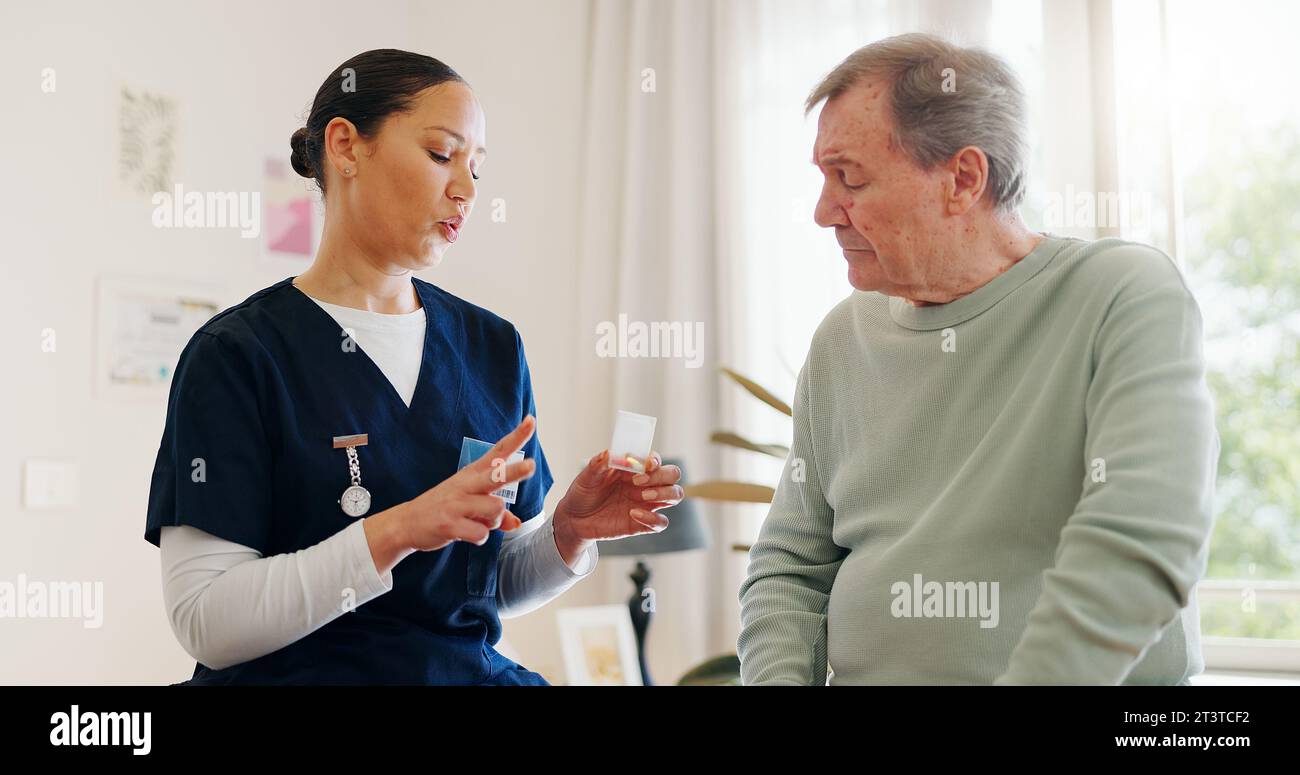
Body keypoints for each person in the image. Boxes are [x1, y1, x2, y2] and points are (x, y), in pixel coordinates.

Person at [144, 49, 683, 685]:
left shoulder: (492, 347)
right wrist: (398, 529)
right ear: (345, 147)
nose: (466, 190)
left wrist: (570, 531)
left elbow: (488, 584)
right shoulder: (238, 355)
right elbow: (206, 620)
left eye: (477, 169)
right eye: (440, 155)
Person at [737, 33, 1219, 685]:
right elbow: (790, 568)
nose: (825, 212)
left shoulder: (1123, 295)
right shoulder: (840, 342)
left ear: (963, 179)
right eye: (822, 179)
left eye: (849, 178)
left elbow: (1141, 538)